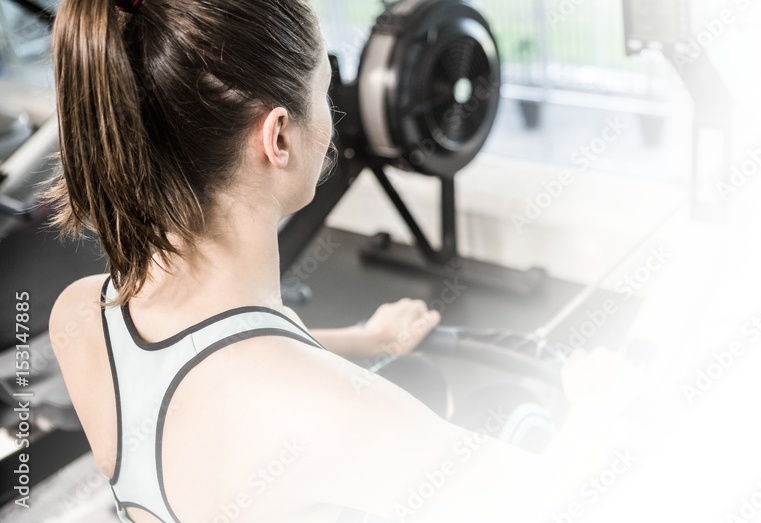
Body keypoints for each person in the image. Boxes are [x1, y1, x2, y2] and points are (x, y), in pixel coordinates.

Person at [46, 1, 636, 522]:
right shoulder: (330, 414)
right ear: (278, 137)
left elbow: (211, 367)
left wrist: (364, 339)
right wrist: (598, 404)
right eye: (324, 89)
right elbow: (562, 500)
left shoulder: (78, 314)